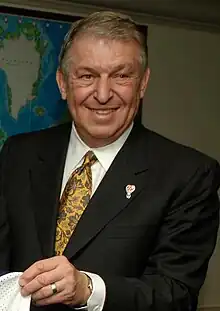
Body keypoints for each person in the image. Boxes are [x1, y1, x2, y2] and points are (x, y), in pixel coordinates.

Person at [0, 11, 219, 311]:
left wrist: (89, 290)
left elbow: (176, 295)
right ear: (63, 83)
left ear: (142, 84)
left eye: (121, 76)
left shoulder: (189, 175)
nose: (103, 94)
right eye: (87, 76)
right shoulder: (18, 154)